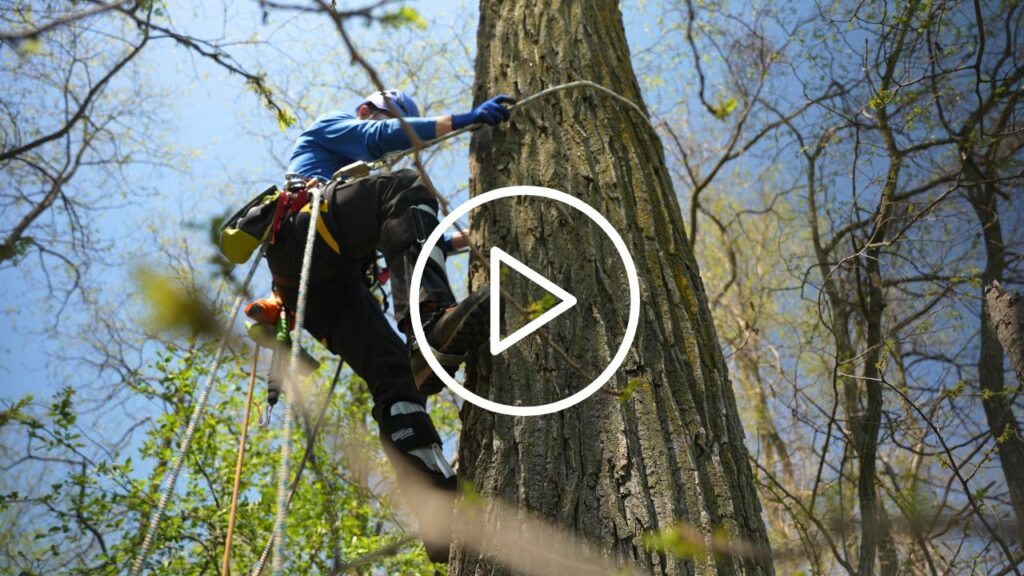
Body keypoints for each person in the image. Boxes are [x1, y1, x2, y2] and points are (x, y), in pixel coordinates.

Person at [262, 89, 514, 563]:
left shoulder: (355, 202)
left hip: (321, 289)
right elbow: (380, 140)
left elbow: (407, 237)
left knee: (395, 377)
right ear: (369, 109)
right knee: (406, 189)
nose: (394, 135)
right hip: (307, 231)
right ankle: (431, 320)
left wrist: (473, 235)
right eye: (393, 119)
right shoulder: (334, 126)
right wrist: (467, 120)